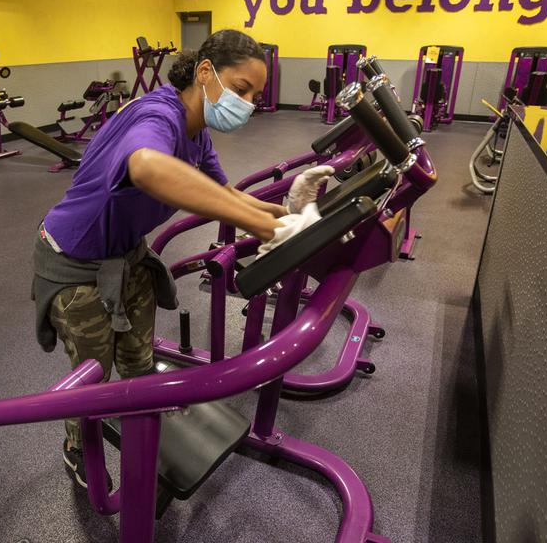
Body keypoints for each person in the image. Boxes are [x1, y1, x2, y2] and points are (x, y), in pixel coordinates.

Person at [31, 29, 330, 489]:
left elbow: (223, 193)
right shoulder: (158, 114)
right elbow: (147, 165)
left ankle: (141, 433)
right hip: (74, 262)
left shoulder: (197, 132)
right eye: (241, 89)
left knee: (139, 360)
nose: (247, 103)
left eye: (254, 95)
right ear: (206, 72)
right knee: (94, 378)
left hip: (127, 255)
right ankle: (77, 449)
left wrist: (287, 211)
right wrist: (270, 230)